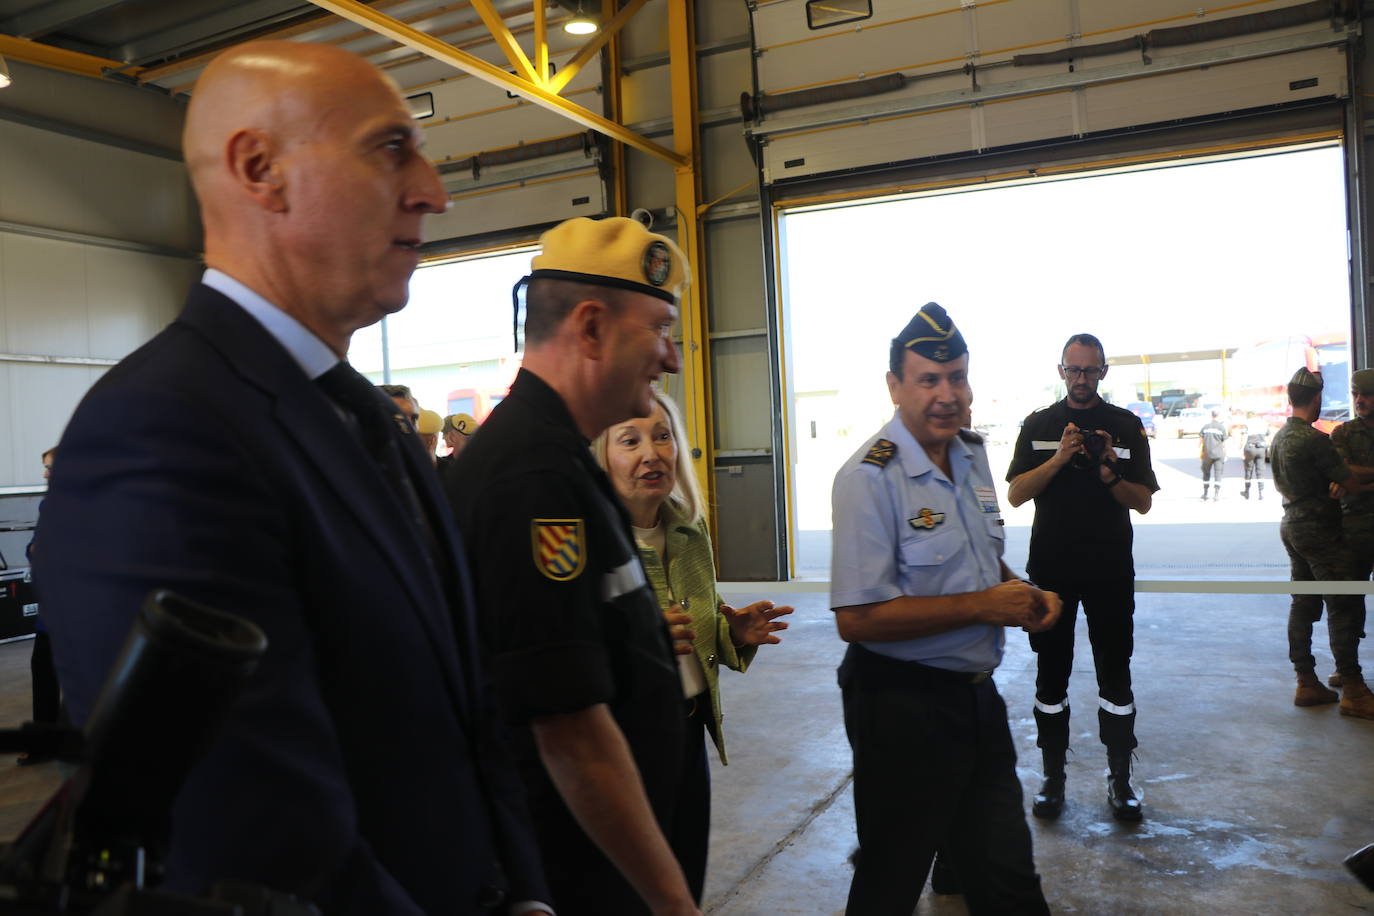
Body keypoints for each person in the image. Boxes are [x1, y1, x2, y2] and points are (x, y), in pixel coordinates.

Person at [32, 41, 550, 915]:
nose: (433, 190)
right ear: (259, 169)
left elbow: (468, 718)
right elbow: (248, 834)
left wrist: (524, 895)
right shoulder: (165, 431)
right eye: (391, 148)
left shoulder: (357, 417)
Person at [445, 216, 701, 916]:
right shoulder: (532, 480)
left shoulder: (558, 461)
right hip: (575, 875)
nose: (671, 358)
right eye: (659, 330)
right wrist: (674, 904)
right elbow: (570, 735)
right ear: (590, 329)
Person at [830, 302, 1059, 915]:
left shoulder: (971, 454)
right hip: (900, 707)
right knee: (890, 876)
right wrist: (986, 605)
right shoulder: (869, 478)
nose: (947, 394)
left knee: (1008, 876)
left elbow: (980, 556)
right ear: (895, 386)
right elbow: (856, 618)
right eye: (929, 379)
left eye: (957, 376)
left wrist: (1021, 591)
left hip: (974, 698)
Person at [591, 388, 792, 902]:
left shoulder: (687, 528)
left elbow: (703, 617)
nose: (651, 453)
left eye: (663, 436)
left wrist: (733, 633)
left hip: (687, 733)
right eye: (629, 440)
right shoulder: (589, 542)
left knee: (685, 880)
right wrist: (637, 642)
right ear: (601, 454)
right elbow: (569, 650)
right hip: (621, 743)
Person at [1007, 333, 1158, 822]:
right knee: (1051, 677)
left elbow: (1143, 501)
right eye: (1073, 370)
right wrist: (1058, 457)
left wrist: (1109, 470)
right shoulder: (1038, 426)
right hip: (1051, 573)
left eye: (1090, 370)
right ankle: (1053, 778)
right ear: (1060, 372)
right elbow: (1014, 494)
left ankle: (1120, 779)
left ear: (1104, 372)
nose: (1081, 379)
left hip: (1110, 571)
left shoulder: (1125, 427)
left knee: (1116, 675)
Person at [1271, 367, 1374, 718]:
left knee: (1303, 603)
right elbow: (1350, 480)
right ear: (1316, 398)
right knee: (1343, 603)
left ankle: (1305, 680)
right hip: (1320, 530)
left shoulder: (1281, 437)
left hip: (1293, 525)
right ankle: (1353, 688)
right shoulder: (1314, 440)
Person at [1331, 368, 1374, 689]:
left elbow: (1351, 479)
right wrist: (1351, 479)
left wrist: (1359, 480)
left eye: (1367, 394)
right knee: (1348, 603)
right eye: (1356, 394)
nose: (1360, 400)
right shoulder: (1342, 433)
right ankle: (1347, 670)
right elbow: (1343, 472)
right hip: (1353, 528)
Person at [18, 447, 61, 767]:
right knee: (44, 670)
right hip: (56, 604)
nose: (44, 474)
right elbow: (35, 549)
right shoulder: (52, 504)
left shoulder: (64, 506)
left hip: (69, 606)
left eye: (49, 467)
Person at [1199, 409, 1228, 500]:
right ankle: (1216, 494)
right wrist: (1225, 454)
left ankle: (1205, 493)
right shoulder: (1221, 428)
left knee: (1206, 473)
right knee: (1218, 473)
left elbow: (1201, 441)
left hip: (1207, 454)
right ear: (1218, 416)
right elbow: (1224, 443)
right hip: (1219, 454)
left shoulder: (1205, 427)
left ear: (1211, 416)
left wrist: (1201, 451)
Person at [1242, 411, 1269, 500]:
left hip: (1250, 448)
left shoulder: (1247, 423)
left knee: (1249, 470)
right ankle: (1261, 493)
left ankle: (1247, 492)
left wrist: (1242, 449)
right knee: (1260, 470)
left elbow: (1244, 436)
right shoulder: (1263, 422)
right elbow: (1268, 435)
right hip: (1261, 448)